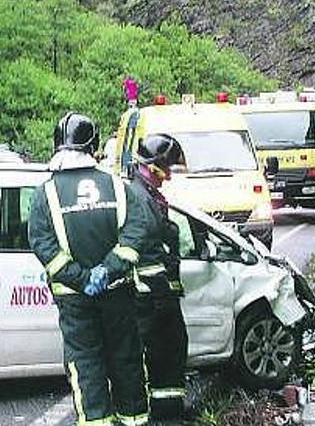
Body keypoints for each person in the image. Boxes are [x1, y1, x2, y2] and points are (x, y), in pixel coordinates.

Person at [28, 112, 153, 426]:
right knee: (126, 360)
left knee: (86, 365)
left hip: (74, 300)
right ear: (93, 144)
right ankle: (134, 419)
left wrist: (81, 280)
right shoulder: (117, 186)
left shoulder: (46, 193)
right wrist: (108, 270)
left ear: (58, 143)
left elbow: (43, 245)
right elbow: (136, 232)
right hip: (117, 294)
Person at [127, 133, 189, 418]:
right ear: (153, 167)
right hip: (150, 300)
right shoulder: (140, 199)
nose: (169, 177)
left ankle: (168, 412)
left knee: (170, 354)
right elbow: (148, 252)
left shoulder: (146, 195)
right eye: (167, 170)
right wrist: (162, 294)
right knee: (164, 358)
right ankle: (166, 416)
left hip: (156, 297)